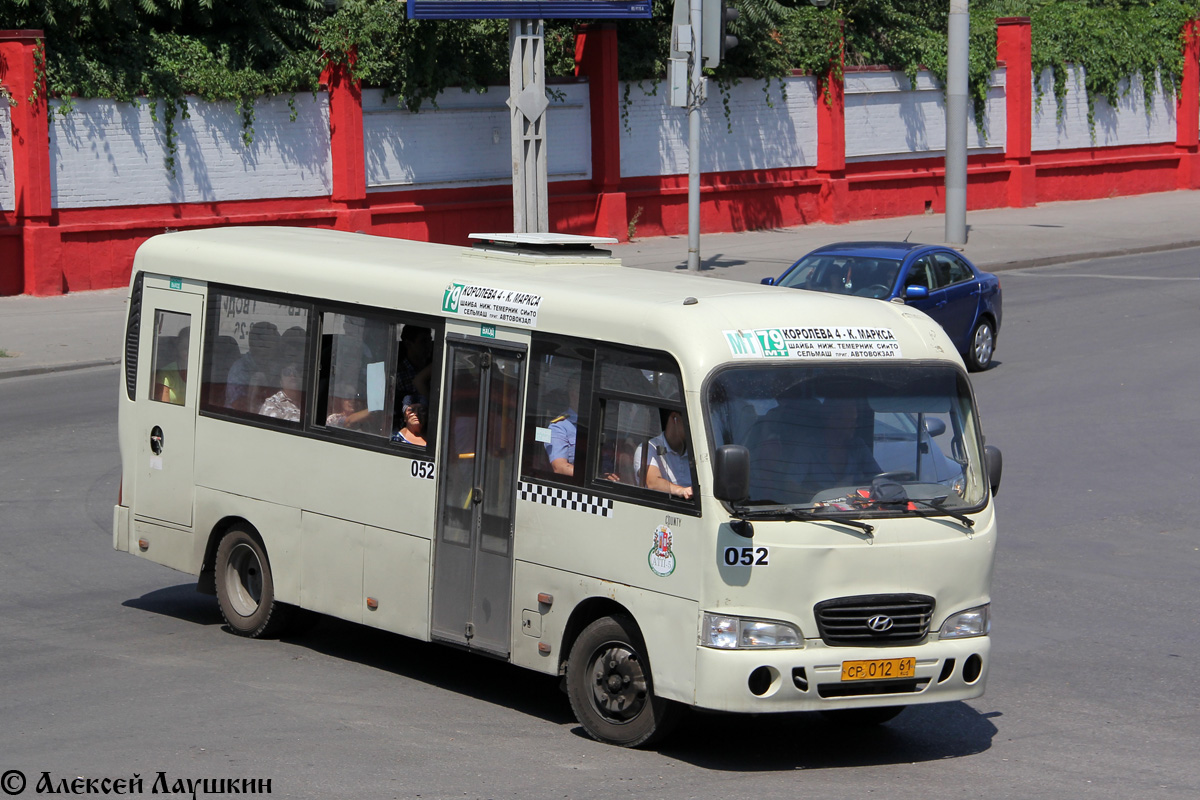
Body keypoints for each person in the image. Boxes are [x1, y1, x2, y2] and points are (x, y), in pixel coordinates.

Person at [636, 408, 693, 500]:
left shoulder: (695, 451)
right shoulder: (650, 447)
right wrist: (682, 491)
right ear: (674, 418)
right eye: (692, 419)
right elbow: (652, 482)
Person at [226, 321, 280, 412]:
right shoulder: (240, 369)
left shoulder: (276, 366)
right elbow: (238, 405)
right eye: (269, 343)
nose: (274, 348)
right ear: (257, 345)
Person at [545, 384, 578, 476]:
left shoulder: (598, 422)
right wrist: (593, 477)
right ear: (572, 394)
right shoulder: (559, 426)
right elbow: (559, 467)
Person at [396, 325, 434, 402]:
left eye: (429, 340)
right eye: (423, 341)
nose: (429, 345)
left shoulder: (434, 370)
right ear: (408, 344)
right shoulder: (399, 375)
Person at [154, 326, 189, 405]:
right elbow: (163, 407)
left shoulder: (202, 373)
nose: (185, 349)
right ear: (177, 346)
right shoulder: (166, 373)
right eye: (183, 345)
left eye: (189, 346)